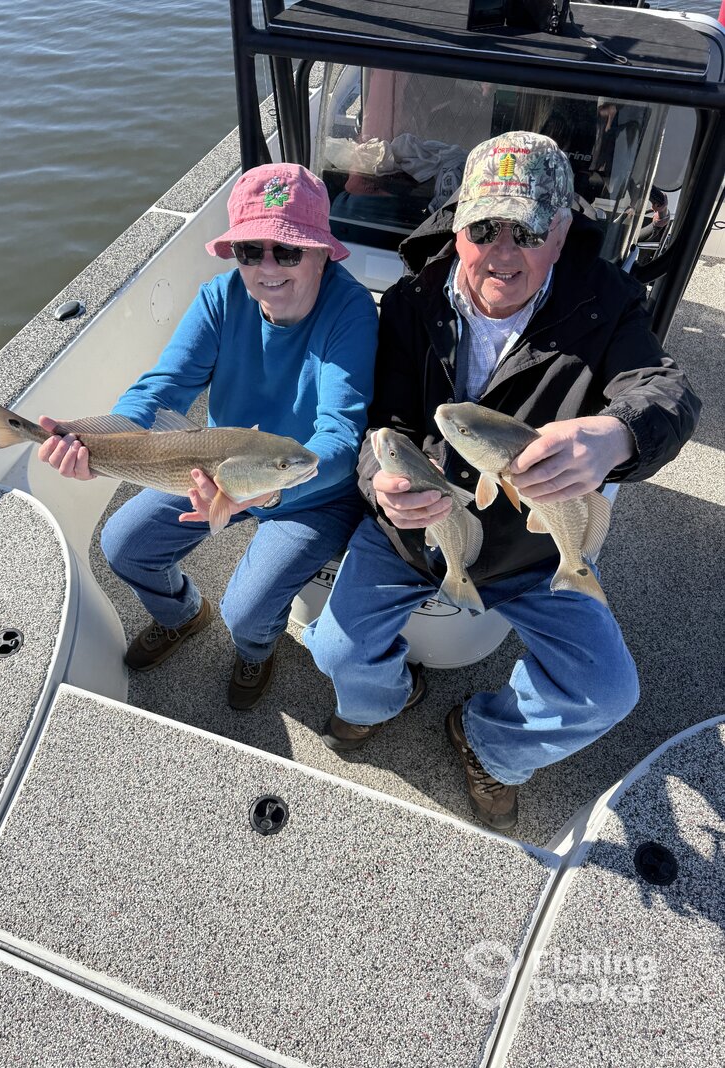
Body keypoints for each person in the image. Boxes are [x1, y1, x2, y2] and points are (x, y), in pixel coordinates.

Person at [304, 131, 701, 832]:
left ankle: (488, 742)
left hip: (533, 548)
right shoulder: (410, 302)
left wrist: (616, 435)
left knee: (607, 691)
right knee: (336, 650)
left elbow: (668, 393)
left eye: (528, 231)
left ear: (562, 232)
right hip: (416, 533)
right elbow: (383, 423)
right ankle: (385, 698)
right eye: (484, 228)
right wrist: (382, 484)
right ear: (458, 227)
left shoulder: (606, 303)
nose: (503, 251)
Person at [38, 163, 377, 708]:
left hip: (310, 488)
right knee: (123, 544)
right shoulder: (219, 298)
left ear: (322, 253)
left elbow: (340, 435)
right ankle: (182, 613)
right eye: (250, 251)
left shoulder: (352, 311)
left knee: (246, 613)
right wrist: (97, 443)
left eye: (288, 251)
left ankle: (255, 650)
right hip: (217, 467)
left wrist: (269, 492)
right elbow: (162, 388)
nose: (268, 267)